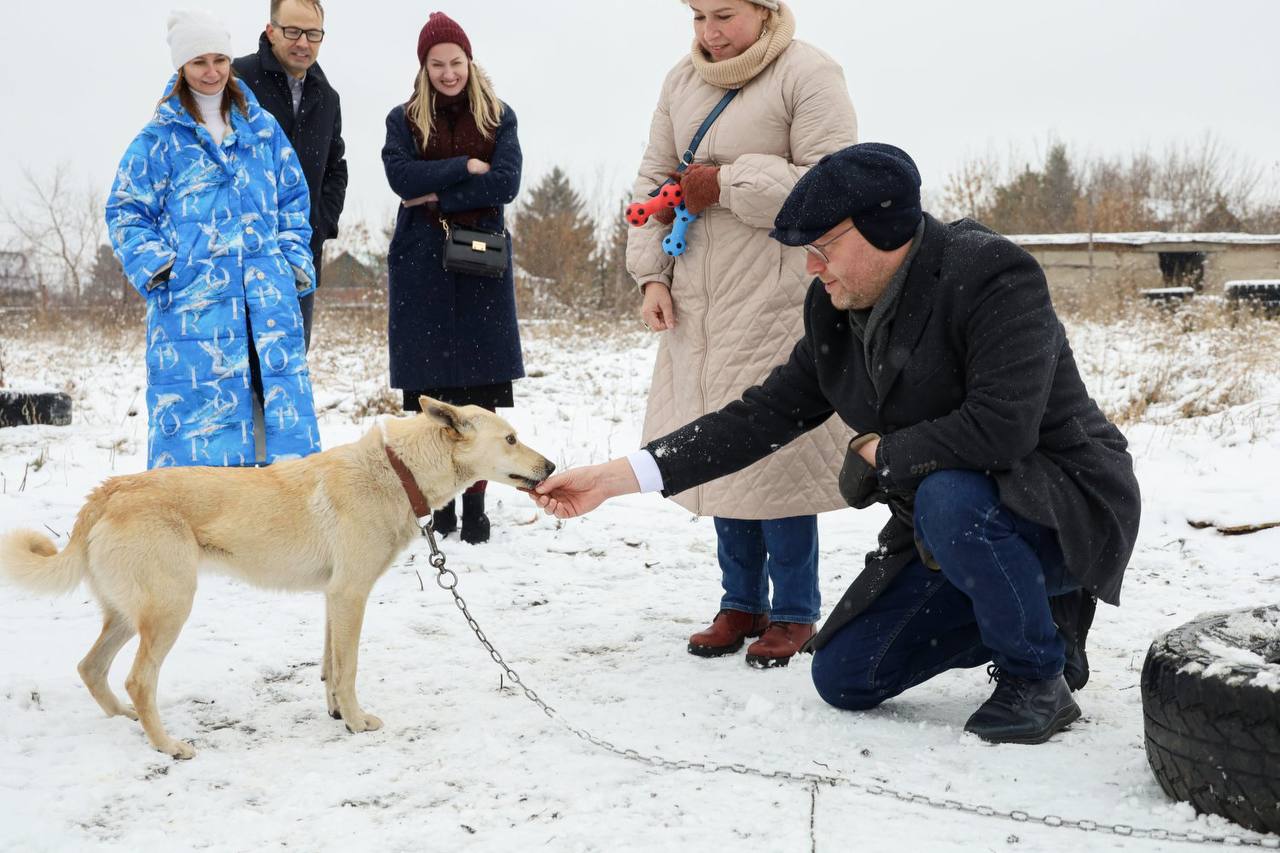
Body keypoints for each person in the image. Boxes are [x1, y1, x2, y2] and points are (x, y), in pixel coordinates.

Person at [531, 143, 1142, 745]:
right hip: (952, 527)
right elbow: (761, 417)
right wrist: (617, 478)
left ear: (884, 229)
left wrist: (882, 455)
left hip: (1061, 507)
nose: (812, 268)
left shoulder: (993, 276)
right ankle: (1030, 613)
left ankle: (1036, 675)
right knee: (847, 675)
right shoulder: (836, 309)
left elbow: (1003, 427)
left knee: (946, 494)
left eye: (823, 248)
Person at [627, 0, 858, 667]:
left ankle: (792, 611)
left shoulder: (809, 73)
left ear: (765, 9)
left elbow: (831, 185)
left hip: (779, 298)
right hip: (699, 300)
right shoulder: (681, 81)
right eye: (698, 17)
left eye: (723, 14)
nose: (709, 33)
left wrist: (726, 183)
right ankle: (740, 601)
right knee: (717, 444)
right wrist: (652, 276)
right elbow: (653, 180)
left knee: (776, 451)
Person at [106, 10, 319, 469]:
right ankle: (200, 527)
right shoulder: (159, 140)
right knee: (199, 430)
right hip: (193, 307)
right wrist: (163, 269)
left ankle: (272, 522)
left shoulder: (262, 131)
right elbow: (126, 210)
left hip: (265, 299)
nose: (212, 71)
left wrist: (292, 261)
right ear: (181, 66)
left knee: (275, 424)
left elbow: (294, 201)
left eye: (220, 58)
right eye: (199, 61)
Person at [381, 12, 523, 544]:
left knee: (480, 393)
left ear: (469, 61)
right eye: (437, 64)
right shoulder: (404, 119)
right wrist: (466, 168)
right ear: (425, 67)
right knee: (432, 394)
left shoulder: (499, 116)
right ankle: (438, 507)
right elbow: (400, 177)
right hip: (421, 265)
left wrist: (436, 193)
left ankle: (477, 510)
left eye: (455, 62)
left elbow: (506, 183)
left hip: (480, 263)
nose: (447, 73)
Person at [234, 0, 347, 352]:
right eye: (293, 31)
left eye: (313, 34)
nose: (303, 43)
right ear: (271, 31)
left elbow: (335, 168)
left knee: (289, 363)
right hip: (240, 254)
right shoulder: (238, 80)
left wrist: (320, 224)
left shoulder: (326, 97)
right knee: (237, 369)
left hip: (300, 256)